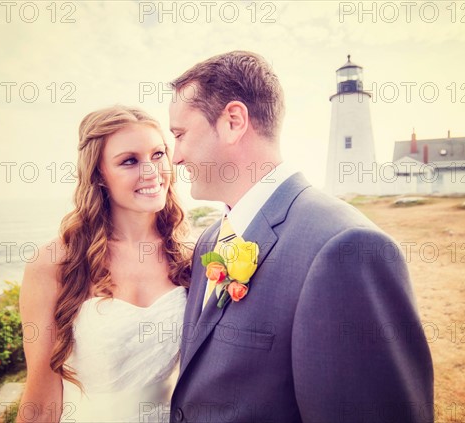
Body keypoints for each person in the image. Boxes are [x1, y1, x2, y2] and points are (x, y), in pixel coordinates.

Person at [168, 51, 434, 423]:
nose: (175, 157)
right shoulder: (210, 242)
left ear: (233, 121)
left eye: (180, 135)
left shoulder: (346, 249)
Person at [16, 106, 191, 423]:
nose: (151, 171)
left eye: (158, 154)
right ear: (98, 175)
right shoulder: (55, 263)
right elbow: (41, 403)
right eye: (129, 161)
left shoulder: (188, 257)